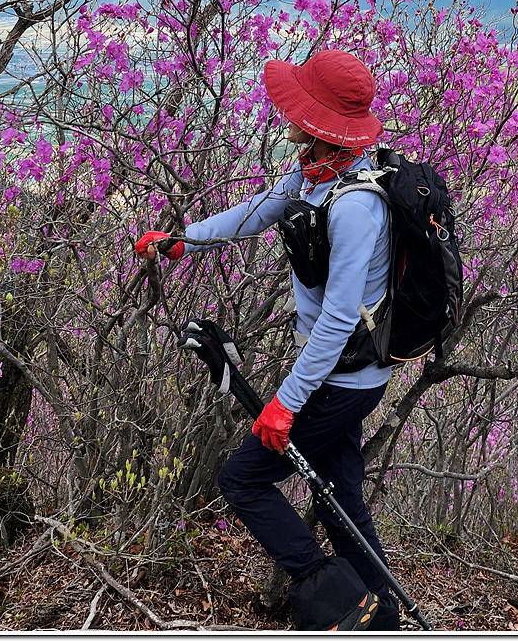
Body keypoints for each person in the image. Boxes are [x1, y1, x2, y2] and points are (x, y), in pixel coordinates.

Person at [135, 48, 399, 631]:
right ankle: (383, 614)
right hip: (337, 375)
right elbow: (254, 212)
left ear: (322, 124)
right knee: (340, 501)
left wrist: (287, 402)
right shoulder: (318, 172)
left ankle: (335, 602)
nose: (288, 116)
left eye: (301, 108)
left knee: (242, 480)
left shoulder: (356, 207)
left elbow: (338, 319)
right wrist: (184, 239)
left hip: (343, 381)